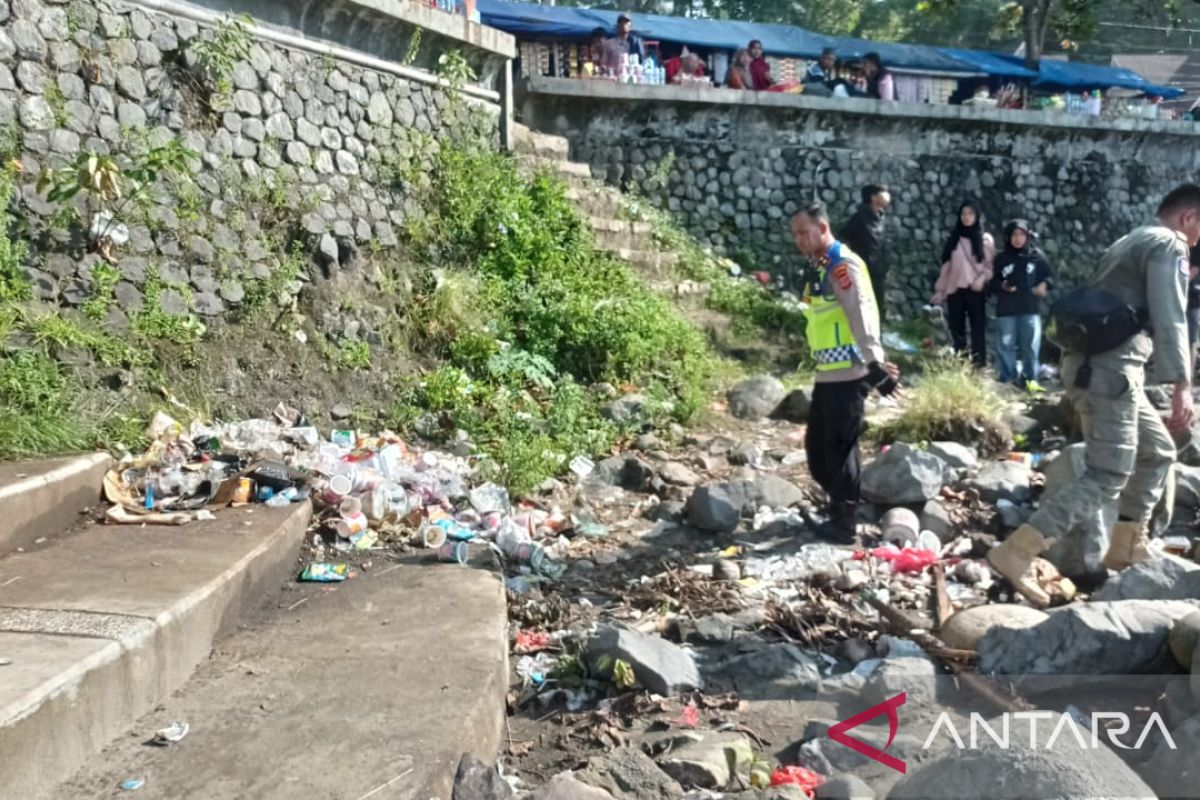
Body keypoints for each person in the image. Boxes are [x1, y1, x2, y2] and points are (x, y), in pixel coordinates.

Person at [987, 185, 1200, 607]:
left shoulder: (1129, 239)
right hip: (1111, 373)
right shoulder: (1169, 244)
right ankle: (1017, 551)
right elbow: (1172, 315)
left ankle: (1126, 544)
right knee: (1106, 475)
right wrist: (1182, 384)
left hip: (1101, 368)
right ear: (1189, 218)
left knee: (1158, 451)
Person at [790, 202, 901, 543]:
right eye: (795, 235)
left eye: (804, 233)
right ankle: (839, 505)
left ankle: (845, 522)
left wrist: (874, 364)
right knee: (818, 450)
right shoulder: (822, 265)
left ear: (823, 229)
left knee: (839, 450)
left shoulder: (842, 265)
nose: (799, 240)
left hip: (851, 371)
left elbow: (861, 313)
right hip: (829, 372)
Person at [991, 219, 1053, 392]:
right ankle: (1008, 381)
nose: (1017, 239)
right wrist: (1002, 285)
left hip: (1030, 308)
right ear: (1008, 237)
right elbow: (993, 282)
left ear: (1027, 236)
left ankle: (1031, 380)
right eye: (1014, 235)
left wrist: (1043, 286)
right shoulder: (1001, 258)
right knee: (1006, 346)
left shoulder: (1036, 256)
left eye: (1021, 235)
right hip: (1006, 310)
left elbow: (1048, 276)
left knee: (1031, 347)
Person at [932, 201, 995, 367]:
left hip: (975, 290)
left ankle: (979, 365)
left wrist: (982, 280)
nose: (966, 217)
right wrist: (939, 292)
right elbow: (946, 268)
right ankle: (961, 364)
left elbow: (990, 267)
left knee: (977, 329)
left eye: (970, 214)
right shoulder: (954, 239)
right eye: (963, 214)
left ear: (977, 216)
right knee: (956, 330)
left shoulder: (985, 240)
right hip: (955, 290)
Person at [838, 184, 891, 320]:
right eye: (883, 192)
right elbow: (844, 237)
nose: (887, 195)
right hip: (862, 267)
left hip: (879, 268)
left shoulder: (881, 217)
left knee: (877, 303)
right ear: (873, 197)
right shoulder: (859, 218)